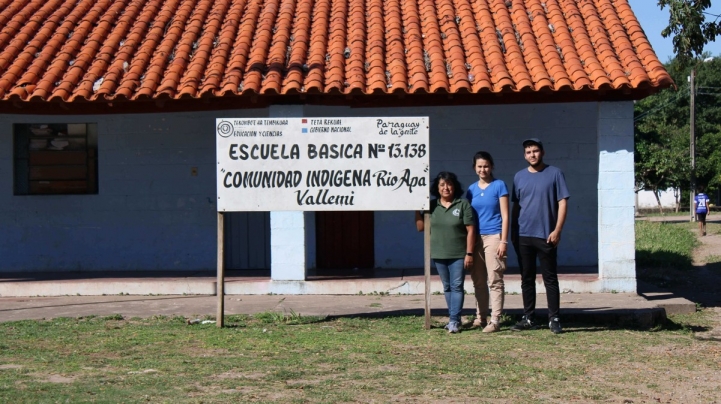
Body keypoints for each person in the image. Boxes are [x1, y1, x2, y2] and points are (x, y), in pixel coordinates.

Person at [510, 138, 570, 334]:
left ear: (542, 152)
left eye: (535, 151)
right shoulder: (519, 176)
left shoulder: (555, 174)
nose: (532, 155)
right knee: (526, 278)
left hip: (546, 235)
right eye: (528, 152)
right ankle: (529, 317)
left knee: (550, 278)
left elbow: (562, 202)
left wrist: (558, 229)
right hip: (523, 235)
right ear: (524, 155)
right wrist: (513, 233)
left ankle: (554, 318)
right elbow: (516, 206)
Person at [416, 172, 475, 333]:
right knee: (447, 286)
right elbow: (421, 228)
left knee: (457, 286)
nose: (445, 188)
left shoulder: (462, 204)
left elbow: (471, 230)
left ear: (454, 186)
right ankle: (452, 318)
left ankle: (454, 320)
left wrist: (469, 254)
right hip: (438, 253)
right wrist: (416, 210)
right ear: (437, 188)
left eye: (448, 184)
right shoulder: (432, 205)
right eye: (442, 185)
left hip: (458, 254)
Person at [466, 151, 509, 333]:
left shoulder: (499, 186)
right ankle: (480, 316)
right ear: (475, 168)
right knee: (478, 280)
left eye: (486, 166)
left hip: (494, 236)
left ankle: (495, 319)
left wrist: (503, 241)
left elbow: (506, 215)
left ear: (491, 166)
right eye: (479, 166)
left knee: (495, 279)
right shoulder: (471, 190)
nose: (483, 169)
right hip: (476, 238)